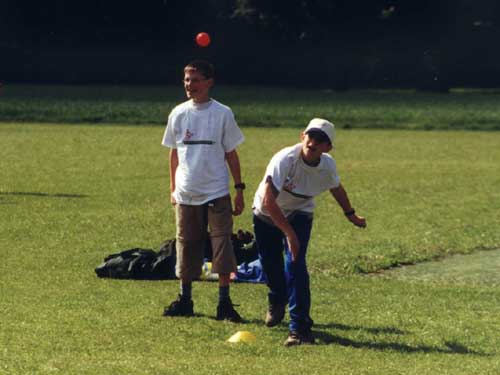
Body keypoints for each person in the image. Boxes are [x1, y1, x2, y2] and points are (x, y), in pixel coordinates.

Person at [252, 118, 366, 346]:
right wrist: (289, 234)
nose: (313, 143)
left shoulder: (327, 165)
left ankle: (299, 329)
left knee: (295, 264)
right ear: (302, 136)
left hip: (300, 213)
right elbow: (268, 200)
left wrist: (351, 214)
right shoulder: (285, 159)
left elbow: (336, 188)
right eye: (311, 136)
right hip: (267, 213)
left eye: (320, 140)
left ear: (327, 148)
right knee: (270, 264)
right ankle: (277, 299)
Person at [161, 60, 246, 322]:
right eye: (187, 80)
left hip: (216, 191)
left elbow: (231, 153)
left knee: (222, 245)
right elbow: (174, 154)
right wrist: (174, 189)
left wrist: (239, 189)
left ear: (209, 82)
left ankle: (224, 303)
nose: (190, 85)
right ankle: (185, 299)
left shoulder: (222, 113)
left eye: (196, 80)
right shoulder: (178, 113)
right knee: (186, 245)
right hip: (187, 193)